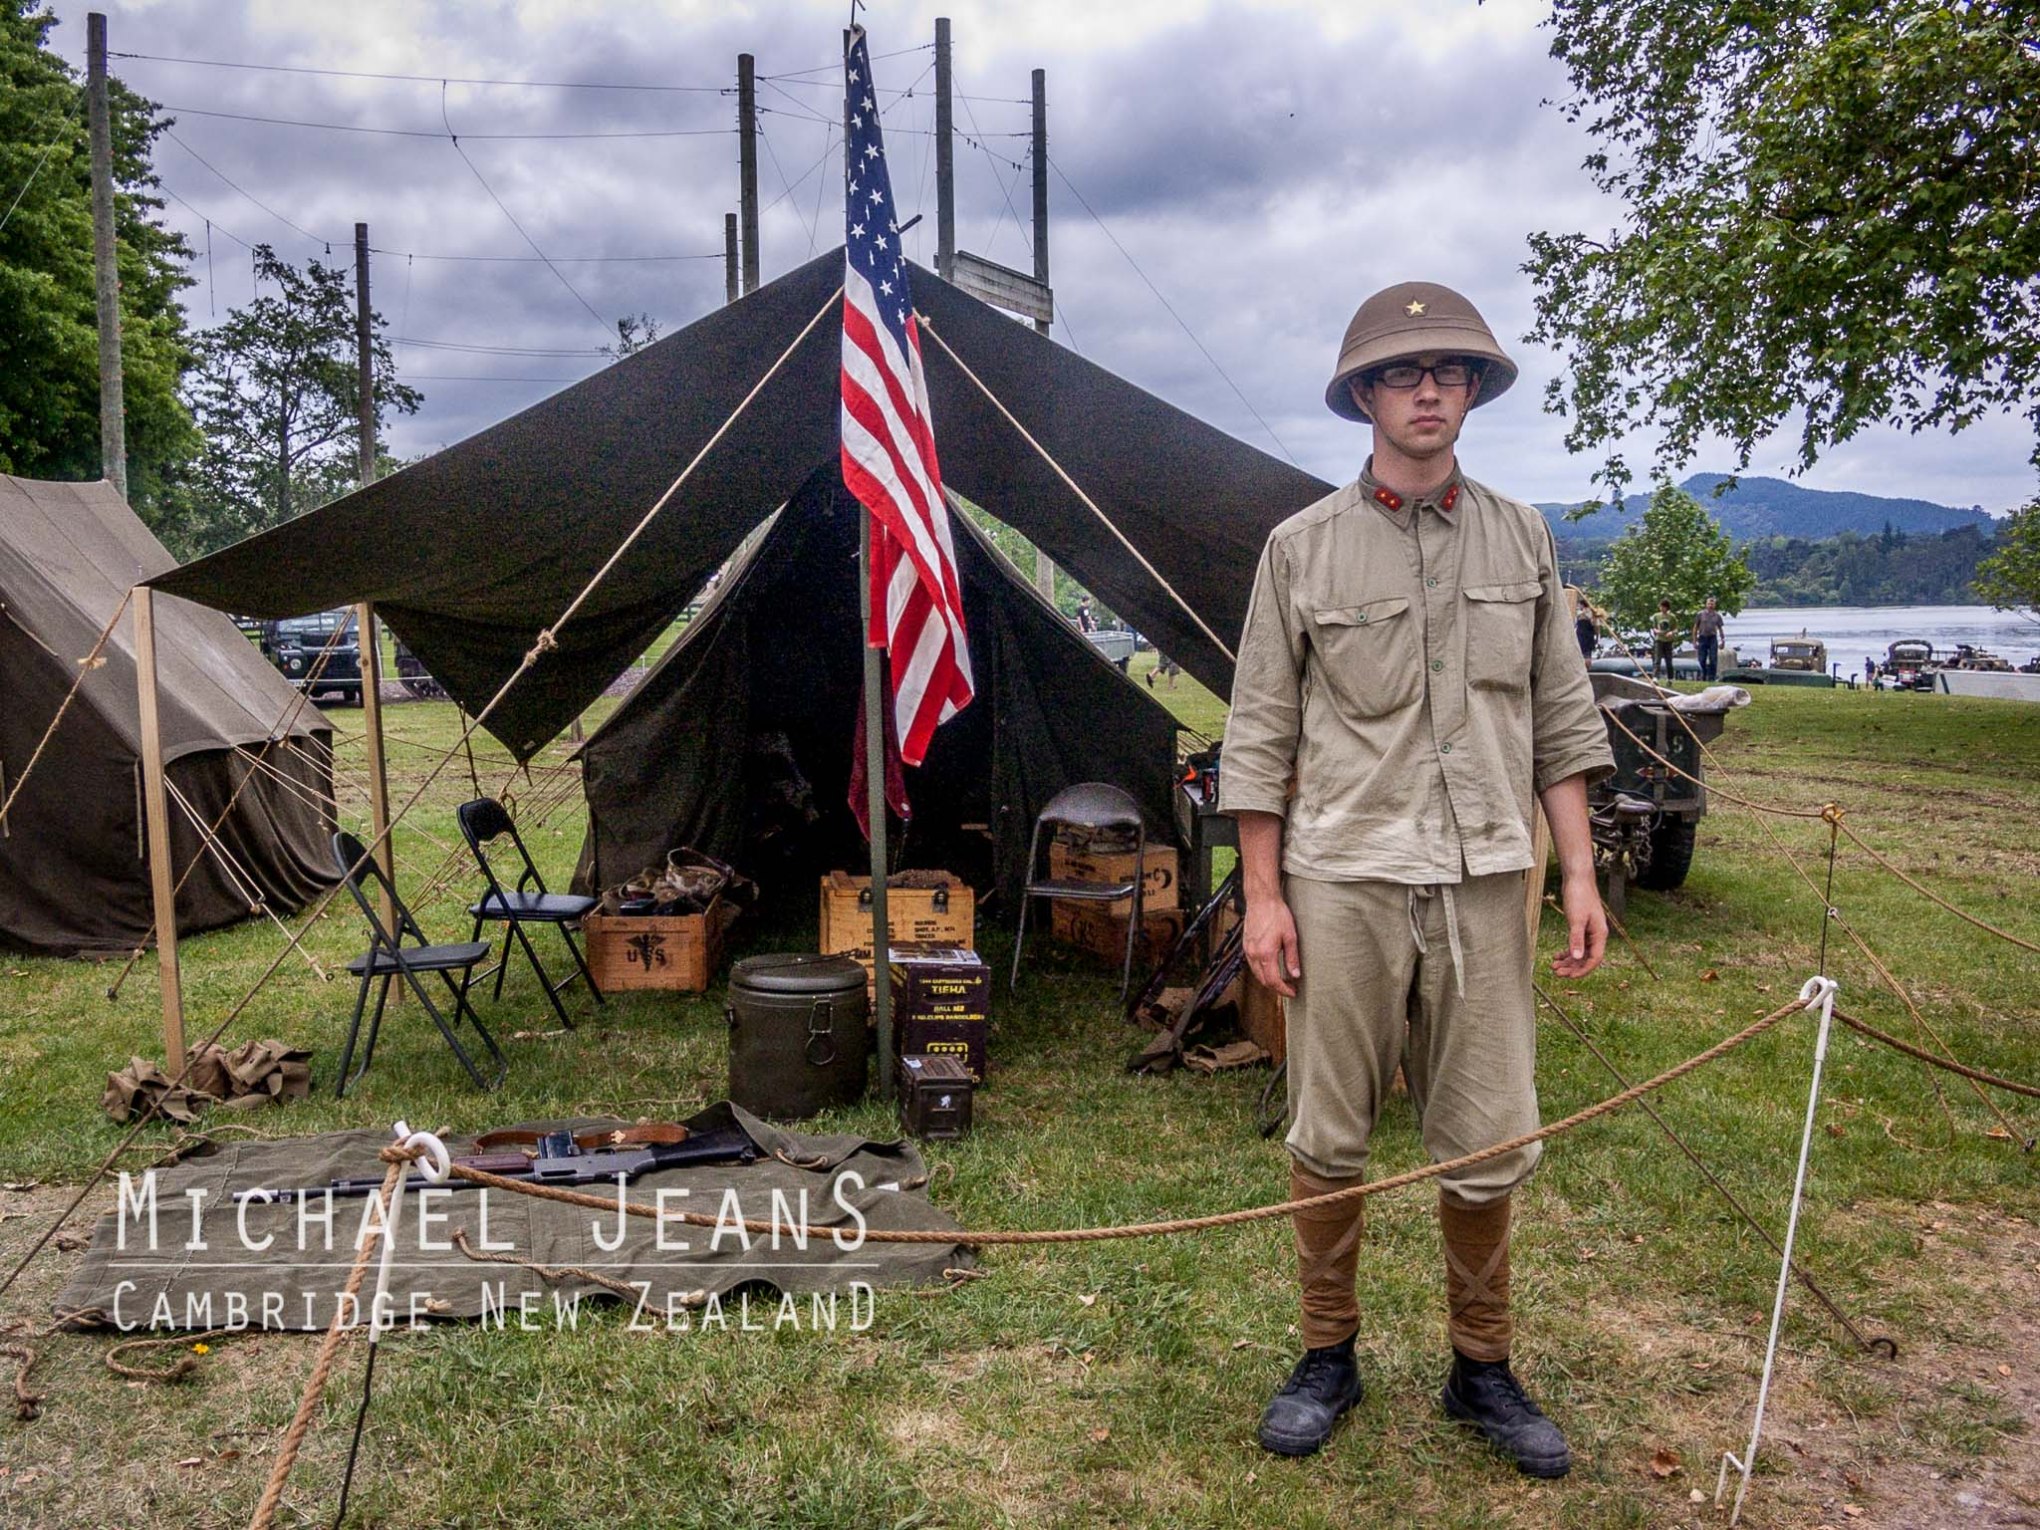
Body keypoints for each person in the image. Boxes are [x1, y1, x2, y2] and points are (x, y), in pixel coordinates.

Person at [1219, 281, 1613, 1478]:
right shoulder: (1302, 548)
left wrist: (1582, 871)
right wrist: (1265, 895)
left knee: (1488, 1136)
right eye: (1405, 373)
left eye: (1450, 371)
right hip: (1344, 873)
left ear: (1474, 391)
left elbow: (1560, 715)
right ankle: (1326, 1353)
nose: (1429, 389)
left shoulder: (1523, 539)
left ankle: (1481, 1368)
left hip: (1492, 874)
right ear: (1366, 398)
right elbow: (1259, 733)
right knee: (1330, 1129)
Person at [1691, 597, 1725, 681]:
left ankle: (1712, 677)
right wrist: (1694, 641)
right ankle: (1702, 676)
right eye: (1709, 604)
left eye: (1712, 604)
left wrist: (1723, 640)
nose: (1710, 605)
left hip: (1712, 638)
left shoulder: (1717, 616)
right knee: (1702, 659)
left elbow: (1720, 628)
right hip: (1702, 638)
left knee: (1713, 659)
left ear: (1715, 605)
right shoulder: (1700, 614)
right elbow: (1695, 628)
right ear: (1706, 604)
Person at [1650, 600, 1678, 680]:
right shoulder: (1656, 616)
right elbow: (1654, 628)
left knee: (1668, 660)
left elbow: (1675, 629)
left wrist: (1671, 633)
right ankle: (1655, 677)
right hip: (1659, 639)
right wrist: (1657, 631)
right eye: (1660, 606)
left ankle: (1670, 678)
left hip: (1668, 640)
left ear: (1666, 607)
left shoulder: (1672, 617)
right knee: (1657, 659)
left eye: (1663, 607)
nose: (1661, 608)